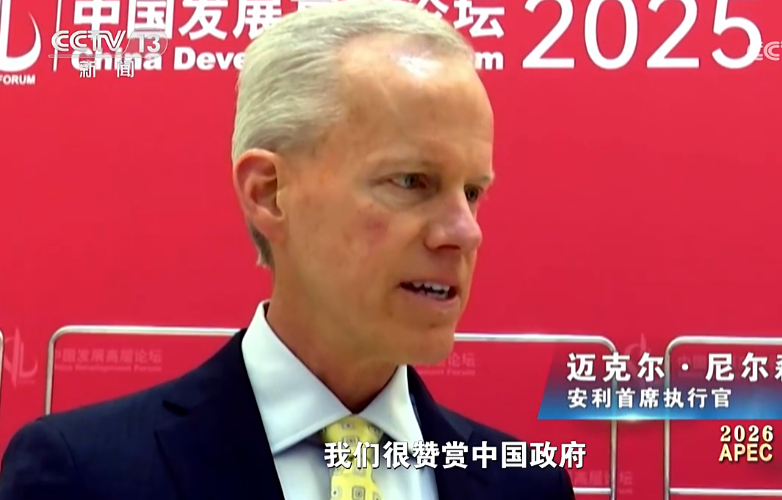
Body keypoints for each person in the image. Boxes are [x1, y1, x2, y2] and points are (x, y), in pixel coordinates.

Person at [0, 1, 577, 499]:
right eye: (412, 181)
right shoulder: (83, 475)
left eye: (473, 192)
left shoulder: (526, 485)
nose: (464, 231)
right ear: (270, 193)